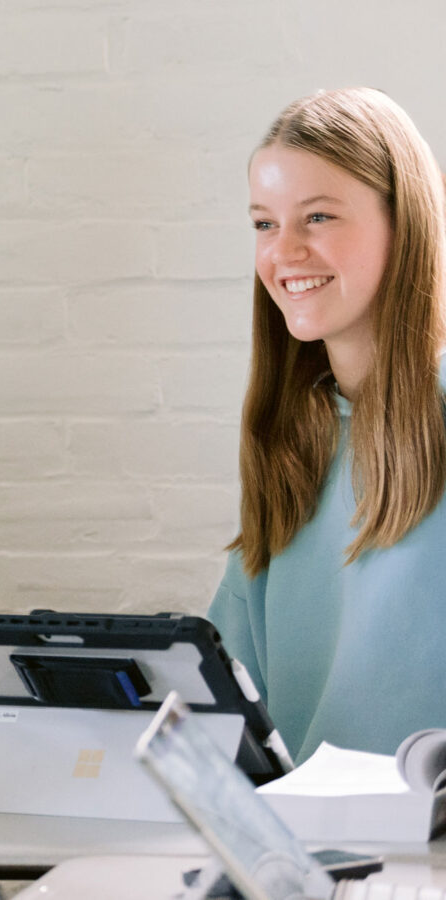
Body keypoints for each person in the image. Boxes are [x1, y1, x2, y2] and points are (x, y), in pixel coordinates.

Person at [209, 88, 446, 763]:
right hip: (301, 828)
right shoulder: (289, 443)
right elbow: (227, 702)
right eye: (264, 223)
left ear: (405, 225)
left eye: (318, 216)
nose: (284, 252)